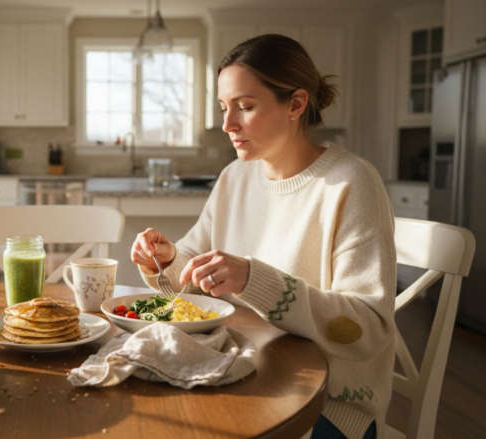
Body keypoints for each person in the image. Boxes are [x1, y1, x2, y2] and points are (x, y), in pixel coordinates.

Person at [131, 34, 395, 439]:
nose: (227, 124)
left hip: (324, 401)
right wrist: (166, 259)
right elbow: (194, 264)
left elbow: (368, 330)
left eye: (245, 107)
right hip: (238, 373)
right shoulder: (235, 176)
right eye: (223, 108)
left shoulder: (351, 183)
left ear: (295, 104)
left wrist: (257, 281)